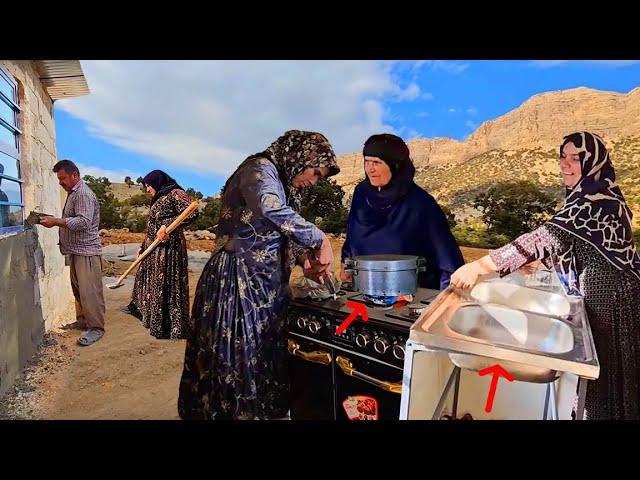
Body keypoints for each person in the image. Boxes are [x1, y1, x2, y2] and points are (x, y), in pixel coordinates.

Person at [450, 131, 640, 420]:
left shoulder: (593, 200)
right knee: (609, 387)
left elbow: (542, 238)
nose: (565, 164)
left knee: (606, 388)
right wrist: (542, 264)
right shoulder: (597, 196)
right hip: (607, 300)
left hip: (613, 305)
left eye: (576, 158)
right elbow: (583, 248)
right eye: (562, 156)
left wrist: (480, 266)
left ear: (594, 162)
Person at [178, 130, 339, 420]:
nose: (313, 182)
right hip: (237, 281)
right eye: (315, 173)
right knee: (238, 360)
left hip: (265, 286)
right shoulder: (259, 169)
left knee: (263, 359)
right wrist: (319, 238)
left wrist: (305, 261)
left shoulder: (283, 183)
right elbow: (269, 208)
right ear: (300, 157)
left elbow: (274, 233)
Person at [341, 133, 464, 291]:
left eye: (377, 162)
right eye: (367, 162)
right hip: (364, 286)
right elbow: (353, 233)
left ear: (395, 165)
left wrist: (445, 299)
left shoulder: (421, 204)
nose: (370, 169)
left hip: (411, 293)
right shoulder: (361, 194)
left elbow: (447, 260)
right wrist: (346, 260)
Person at [40, 160, 105, 346]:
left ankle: (96, 328)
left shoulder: (82, 194)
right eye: (59, 179)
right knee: (79, 290)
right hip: (77, 251)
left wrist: (56, 222)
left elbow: (83, 222)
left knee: (90, 292)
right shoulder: (73, 192)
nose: (60, 182)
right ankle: (83, 321)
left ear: (74, 175)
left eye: (63, 178)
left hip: (87, 252)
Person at [126, 170, 197, 339]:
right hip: (153, 249)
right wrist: (143, 246)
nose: (147, 189)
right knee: (149, 281)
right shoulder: (157, 199)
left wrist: (167, 226)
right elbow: (152, 225)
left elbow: (192, 212)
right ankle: (151, 319)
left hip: (169, 250)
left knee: (167, 284)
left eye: (148, 185)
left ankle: (170, 327)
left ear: (157, 182)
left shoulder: (175, 193)